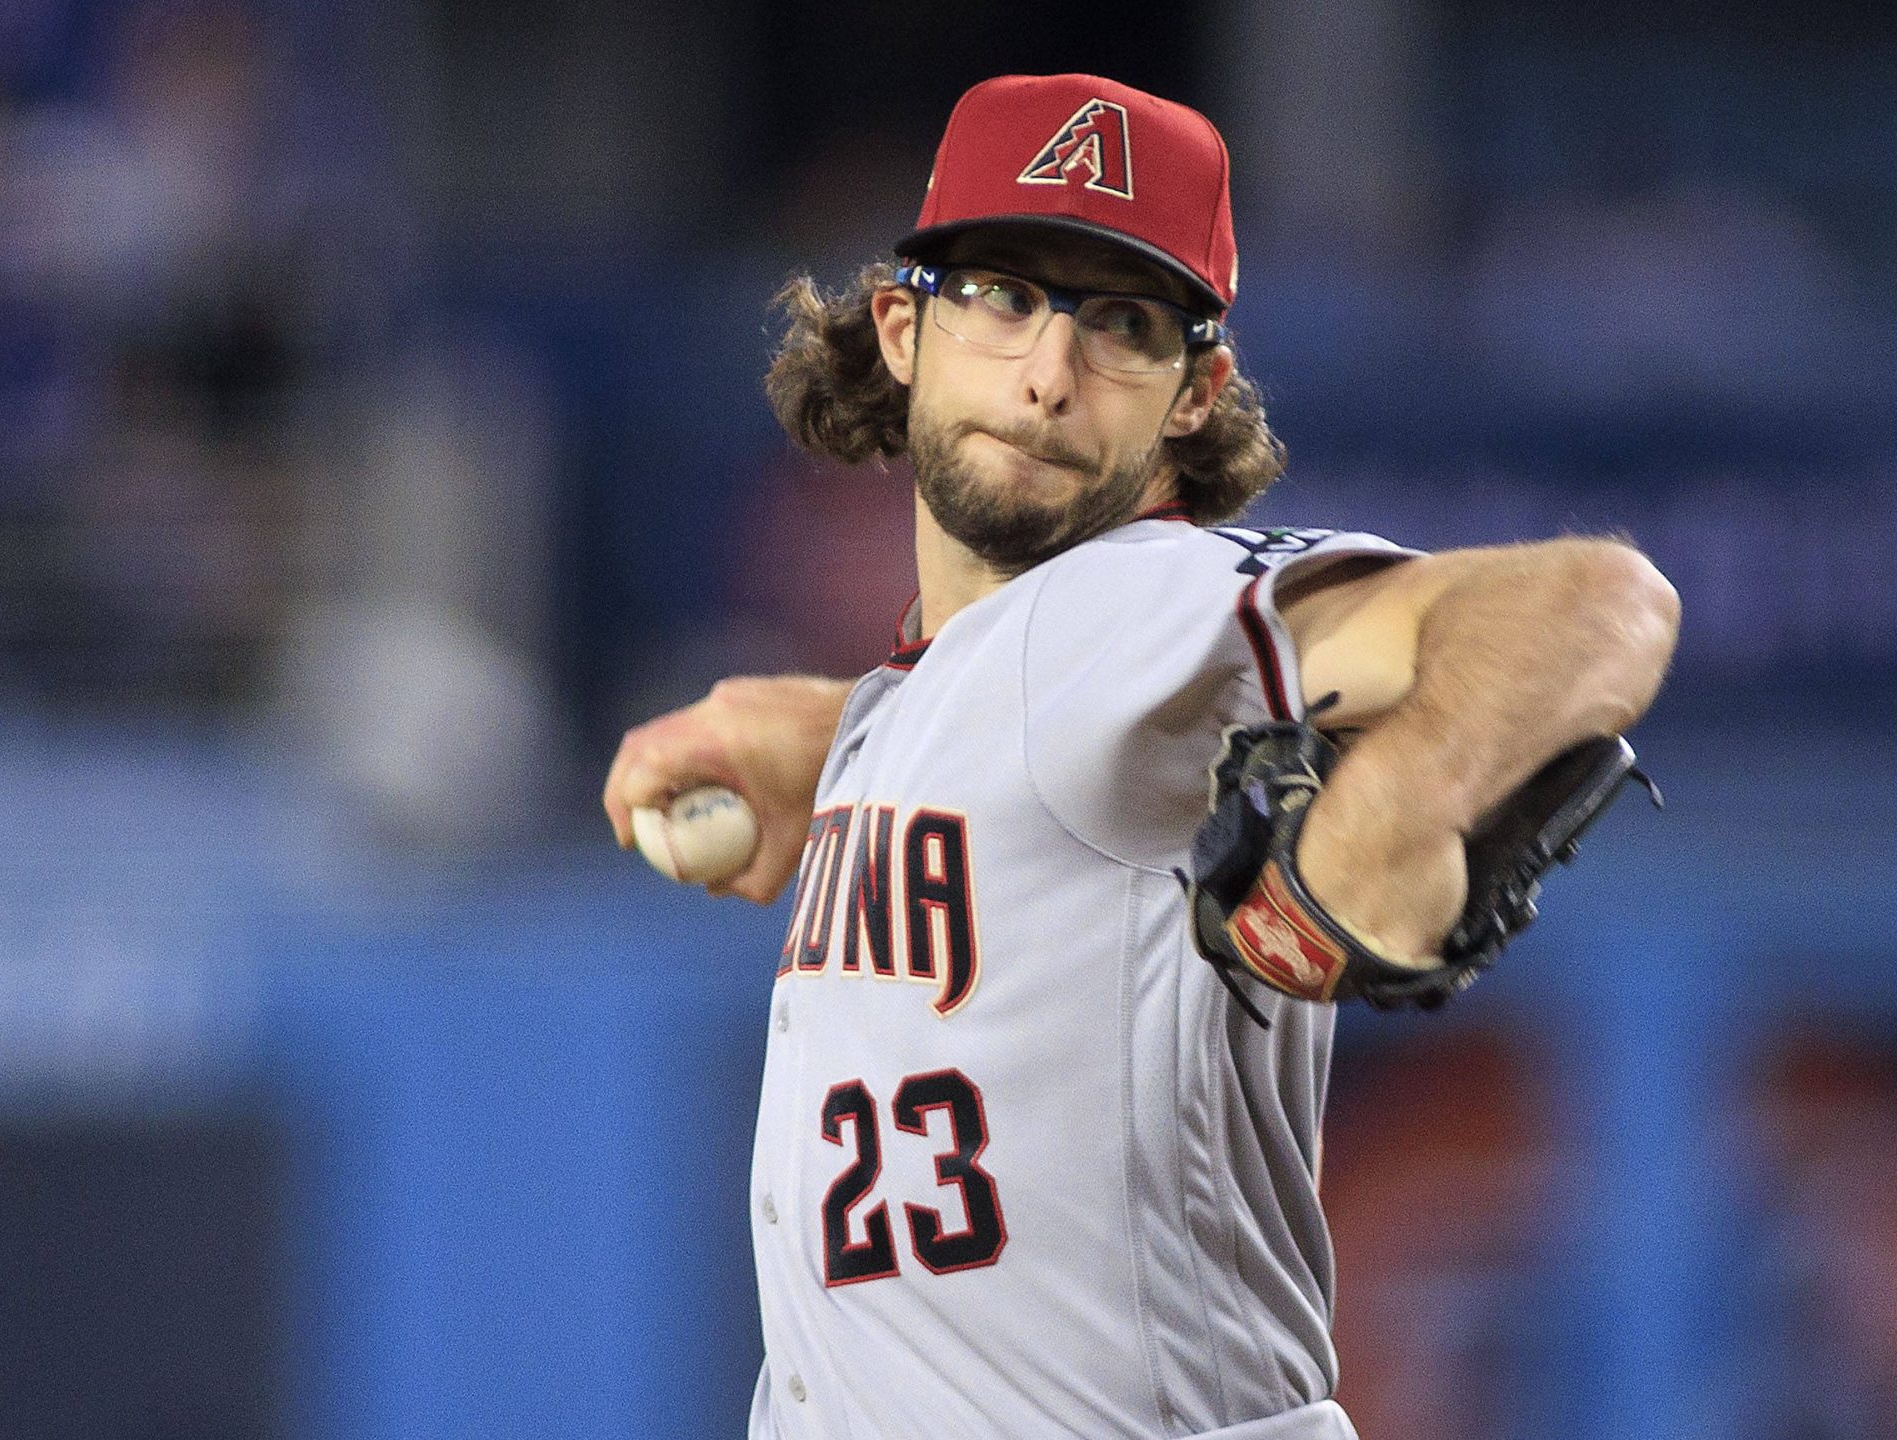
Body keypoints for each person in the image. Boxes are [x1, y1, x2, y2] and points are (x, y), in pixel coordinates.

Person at [603, 73, 1680, 1440]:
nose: (1050, 374)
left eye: (1122, 324)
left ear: (1194, 393)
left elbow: (1598, 606)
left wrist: (1392, 813)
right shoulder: (954, 694)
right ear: (900, 326)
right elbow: (1030, 746)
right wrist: (827, 743)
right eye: (1001, 295)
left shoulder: (1131, 603)